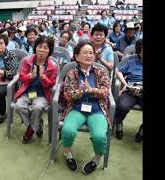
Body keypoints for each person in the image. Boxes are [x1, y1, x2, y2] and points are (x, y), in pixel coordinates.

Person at [59, 41, 110, 175]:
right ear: (76, 56)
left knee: (99, 136)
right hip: (76, 108)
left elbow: (106, 92)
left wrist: (91, 89)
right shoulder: (71, 74)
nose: (89, 55)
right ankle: (68, 155)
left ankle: (96, 159)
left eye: (91, 53)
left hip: (97, 109)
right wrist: (81, 90)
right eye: (85, 52)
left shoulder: (101, 72)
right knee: (68, 130)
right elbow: (67, 95)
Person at [15, 35, 58, 144]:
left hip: (42, 94)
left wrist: (44, 78)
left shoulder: (53, 66)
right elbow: (21, 77)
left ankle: (29, 131)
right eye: (40, 46)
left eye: (45, 47)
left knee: (37, 108)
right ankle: (37, 127)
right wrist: (31, 76)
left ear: (50, 50)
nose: (42, 50)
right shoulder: (27, 61)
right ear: (36, 47)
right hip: (27, 92)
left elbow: (52, 84)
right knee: (19, 106)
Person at [114, 39, 143, 141]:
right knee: (122, 106)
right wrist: (125, 83)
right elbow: (118, 71)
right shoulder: (131, 62)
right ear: (139, 51)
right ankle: (118, 123)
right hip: (131, 91)